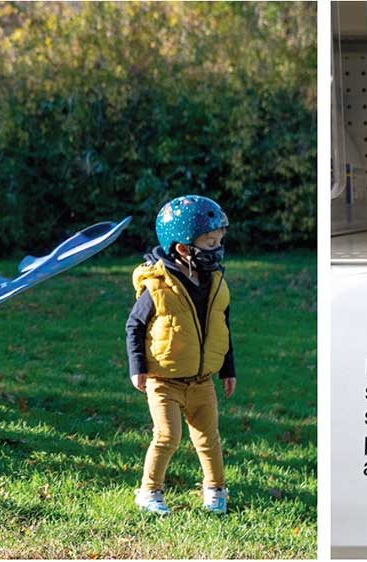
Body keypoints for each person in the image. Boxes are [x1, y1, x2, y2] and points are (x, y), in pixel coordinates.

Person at [125, 195, 236, 516]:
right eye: (210, 243)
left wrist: (228, 369)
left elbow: (222, 328)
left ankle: (215, 491)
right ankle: (149, 492)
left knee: (208, 439)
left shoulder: (215, 282)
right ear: (183, 248)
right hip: (164, 381)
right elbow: (134, 324)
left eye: (220, 241)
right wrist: (138, 367)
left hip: (202, 382)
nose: (218, 249)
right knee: (167, 437)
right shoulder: (157, 285)